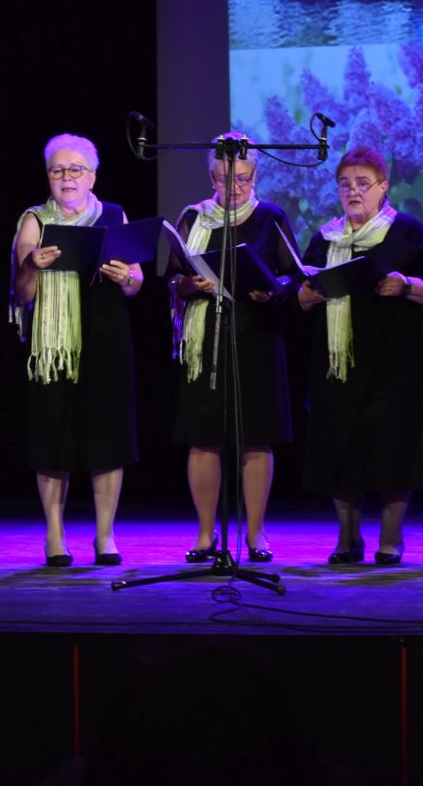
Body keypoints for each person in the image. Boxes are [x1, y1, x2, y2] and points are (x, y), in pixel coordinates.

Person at [297, 146, 423, 565]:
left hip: (395, 365)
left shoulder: (406, 231)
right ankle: (348, 540)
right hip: (338, 367)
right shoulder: (325, 237)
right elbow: (300, 289)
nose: (353, 191)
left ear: (383, 187)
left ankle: (391, 541)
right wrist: (305, 295)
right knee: (340, 452)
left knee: (393, 453)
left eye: (363, 183)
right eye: (345, 184)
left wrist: (405, 284)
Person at [11, 134, 143, 567]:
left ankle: (105, 536)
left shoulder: (115, 215)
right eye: (57, 170)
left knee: (108, 437)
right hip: (54, 349)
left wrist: (126, 277)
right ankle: (55, 536)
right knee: (53, 437)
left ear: (92, 177)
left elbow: (137, 282)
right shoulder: (34, 220)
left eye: (75, 170)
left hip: (107, 338)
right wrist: (31, 265)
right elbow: (22, 292)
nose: (66, 178)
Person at [170, 133, 297, 563]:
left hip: (256, 334)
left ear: (255, 177)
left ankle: (256, 534)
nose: (235, 187)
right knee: (204, 439)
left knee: (256, 438)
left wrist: (273, 289)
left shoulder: (271, 217)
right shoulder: (194, 218)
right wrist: (191, 284)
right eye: (226, 179)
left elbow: (292, 276)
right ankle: (206, 535)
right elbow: (174, 280)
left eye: (243, 178)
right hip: (206, 342)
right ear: (212, 178)